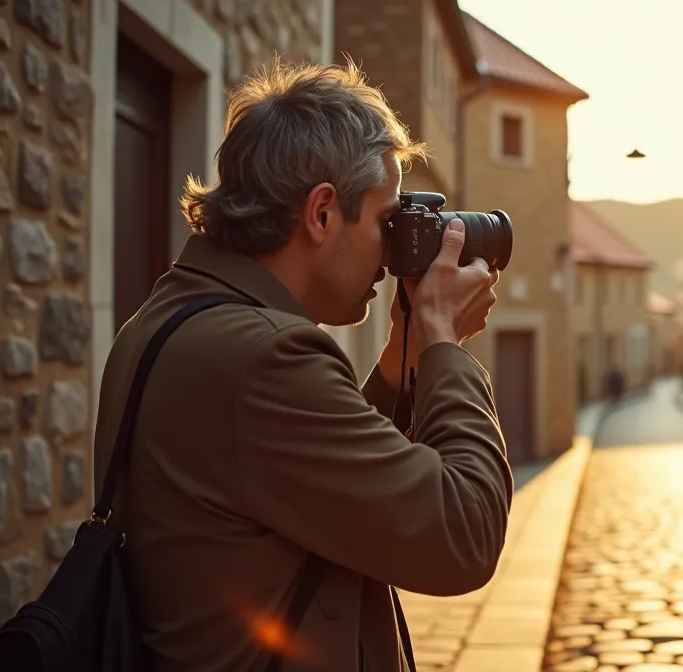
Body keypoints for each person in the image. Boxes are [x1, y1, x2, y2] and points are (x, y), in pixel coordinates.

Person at [91, 58, 511, 671]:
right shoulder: (265, 355)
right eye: (385, 220)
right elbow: (463, 535)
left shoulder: (171, 318)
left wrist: (404, 354)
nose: (392, 252)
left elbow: (319, 476)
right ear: (320, 213)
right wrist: (445, 339)